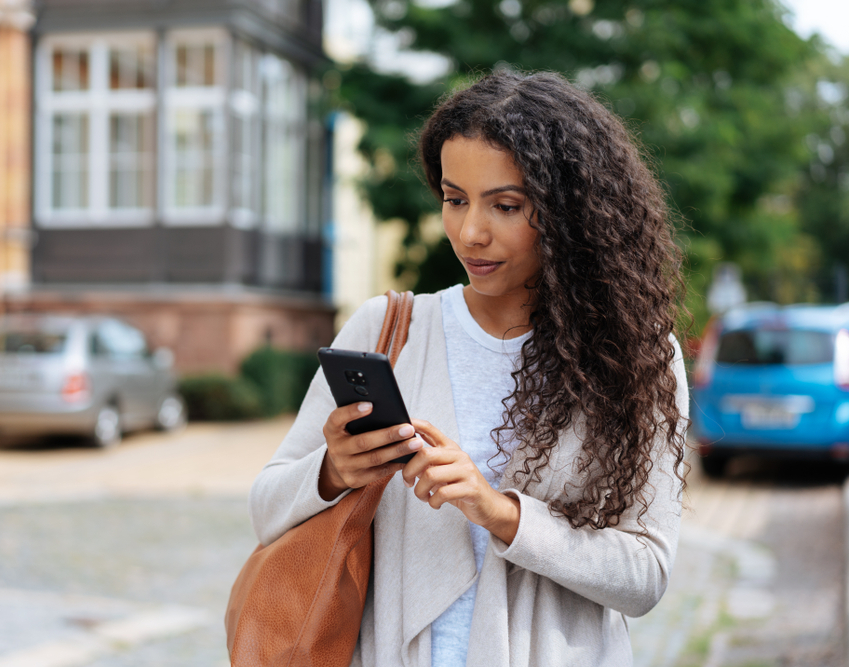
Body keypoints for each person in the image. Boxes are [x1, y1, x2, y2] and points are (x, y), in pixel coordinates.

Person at [248, 70, 689, 667]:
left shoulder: (636, 356)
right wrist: (333, 472)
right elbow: (267, 507)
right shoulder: (389, 330)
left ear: (573, 212)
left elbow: (646, 575)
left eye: (505, 205)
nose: (470, 232)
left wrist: (498, 512)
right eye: (455, 199)